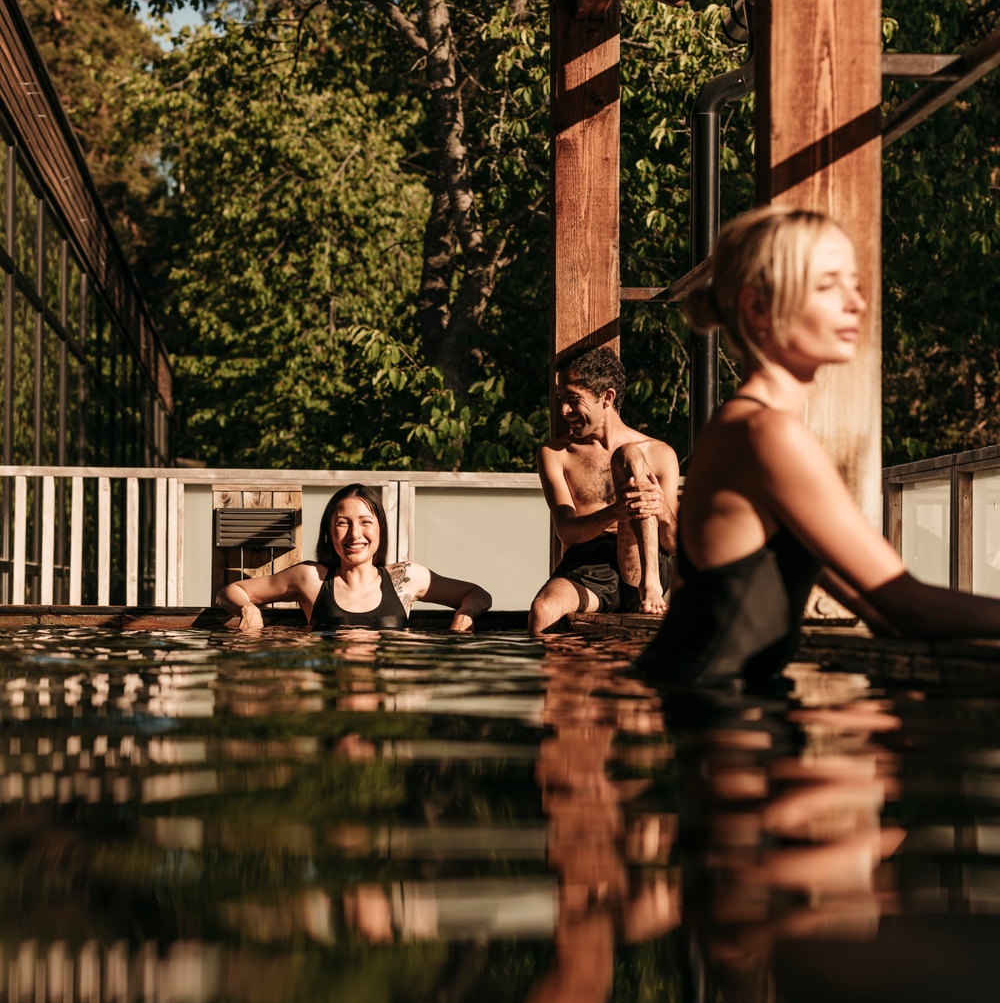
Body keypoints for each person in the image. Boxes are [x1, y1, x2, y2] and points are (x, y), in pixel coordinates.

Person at [632, 204, 1000, 688]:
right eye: (827, 285)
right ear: (758, 307)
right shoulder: (766, 433)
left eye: (854, 282)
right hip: (722, 727)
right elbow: (908, 607)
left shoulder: (741, 423)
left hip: (703, 716)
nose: (856, 303)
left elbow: (874, 603)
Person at [529, 346, 679, 635]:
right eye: (562, 400)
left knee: (629, 456)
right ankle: (562, 679)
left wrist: (661, 511)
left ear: (607, 397)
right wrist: (616, 511)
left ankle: (650, 588)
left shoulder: (660, 453)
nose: (564, 411)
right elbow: (567, 532)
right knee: (542, 611)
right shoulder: (556, 453)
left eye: (573, 400)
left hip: (644, 563)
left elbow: (672, 544)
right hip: (587, 562)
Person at [216, 482, 492, 632]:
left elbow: (477, 593)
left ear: (380, 529)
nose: (354, 534)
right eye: (342, 523)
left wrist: (466, 613)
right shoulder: (311, 578)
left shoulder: (406, 578)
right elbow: (231, 591)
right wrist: (247, 609)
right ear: (329, 532)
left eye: (365, 522)